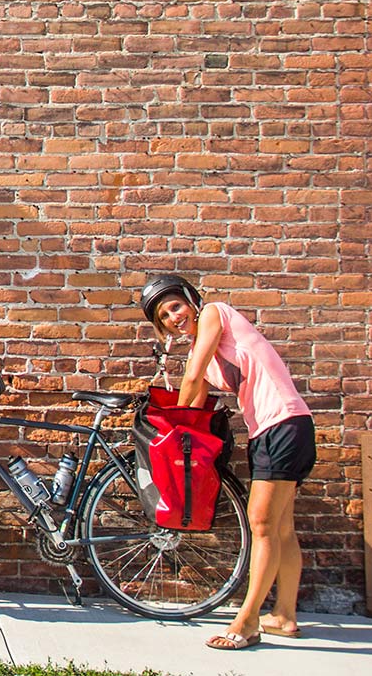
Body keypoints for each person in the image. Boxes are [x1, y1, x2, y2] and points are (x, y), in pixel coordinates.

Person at [139, 274, 315, 650]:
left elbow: (191, 376)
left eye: (175, 306)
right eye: (164, 316)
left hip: (282, 423)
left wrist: (175, 429)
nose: (173, 316)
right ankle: (284, 616)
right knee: (281, 528)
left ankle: (247, 621)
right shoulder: (206, 350)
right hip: (275, 429)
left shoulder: (215, 314)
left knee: (262, 524)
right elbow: (195, 393)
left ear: (191, 300)